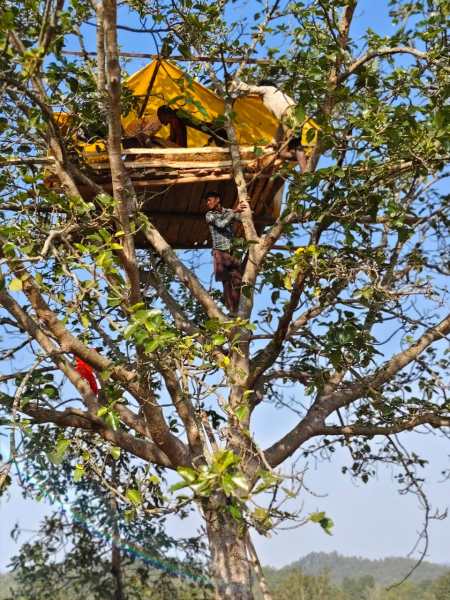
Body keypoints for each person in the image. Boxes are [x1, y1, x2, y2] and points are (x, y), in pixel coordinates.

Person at [205, 191, 245, 314]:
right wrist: (234, 211)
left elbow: (241, 218)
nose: (208, 203)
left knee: (238, 280)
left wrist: (246, 209)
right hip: (220, 254)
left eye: (210, 200)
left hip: (231, 251)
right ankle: (231, 310)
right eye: (207, 201)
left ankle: (236, 309)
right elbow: (221, 224)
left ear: (217, 199)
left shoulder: (228, 211)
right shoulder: (209, 215)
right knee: (227, 283)